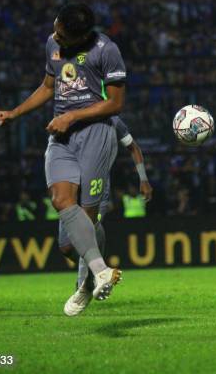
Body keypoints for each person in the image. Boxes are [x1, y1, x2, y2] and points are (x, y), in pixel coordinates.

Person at [0, 3, 126, 302]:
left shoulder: (107, 50)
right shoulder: (52, 43)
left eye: (63, 35)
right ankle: (100, 271)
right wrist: (15, 113)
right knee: (62, 211)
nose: (56, 36)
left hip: (96, 135)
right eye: (56, 28)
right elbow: (47, 86)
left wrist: (73, 116)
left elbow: (116, 104)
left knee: (83, 228)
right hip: (62, 136)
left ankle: (85, 287)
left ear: (82, 37)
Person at [62, 116, 153, 316]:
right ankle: (94, 268)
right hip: (71, 190)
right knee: (66, 247)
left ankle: (84, 285)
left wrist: (143, 179)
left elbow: (134, 148)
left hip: (97, 189)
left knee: (88, 229)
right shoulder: (70, 115)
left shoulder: (113, 121)